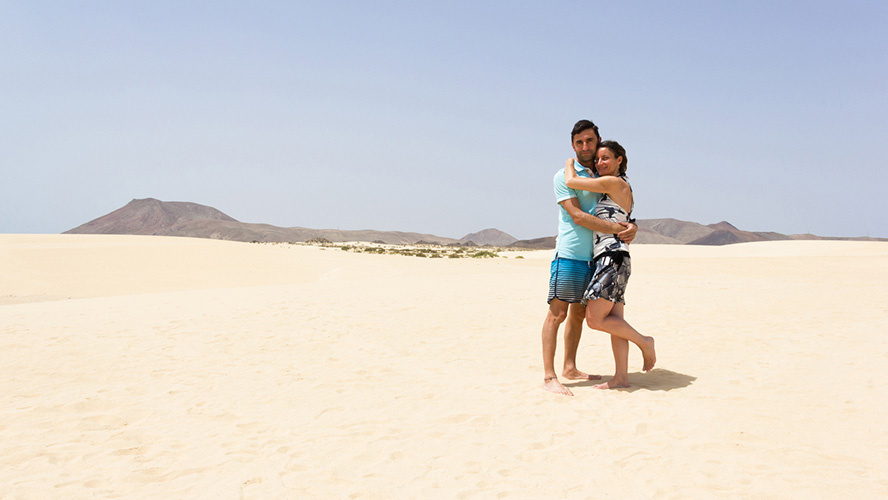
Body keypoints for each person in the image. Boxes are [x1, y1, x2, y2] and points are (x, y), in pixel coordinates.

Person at [542, 120, 637, 396]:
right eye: (579, 142)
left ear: (597, 142)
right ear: (573, 145)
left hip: (596, 258)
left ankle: (569, 367)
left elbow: (617, 208)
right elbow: (579, 216)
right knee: (557, 314)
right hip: (571, 254)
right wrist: (620, 231)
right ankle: (549, 377)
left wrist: (632, 226)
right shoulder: (564, 175)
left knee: (579, 314)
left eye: (590, 141)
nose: (585, 146)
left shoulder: (602, 174)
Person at [564, 140, 656, 389]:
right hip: (616, 257)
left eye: (606, 158)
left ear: (619, 161)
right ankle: (621, 378)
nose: (599, 162)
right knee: (616, 319)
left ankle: (645, 342)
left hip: (611, 257)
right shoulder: (614, 187)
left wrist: (570, 161)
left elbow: (571, 181)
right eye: (598, 159)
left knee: (594, 319)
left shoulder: (615, 182)